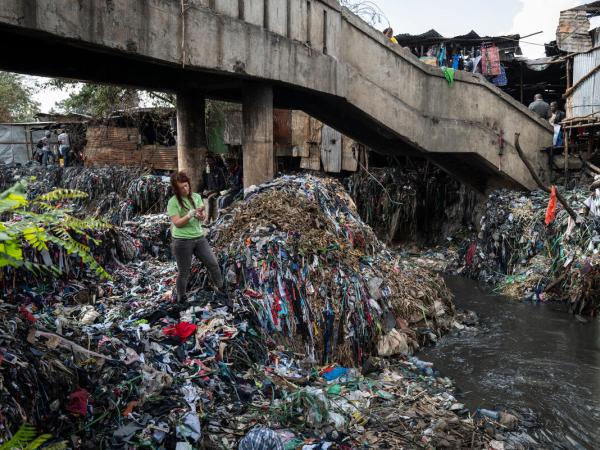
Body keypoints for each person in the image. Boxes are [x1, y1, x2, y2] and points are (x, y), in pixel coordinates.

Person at [167, 171, 224, 302]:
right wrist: (189, 215)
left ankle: (221, 289)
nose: (185, 189)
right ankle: (181, 297)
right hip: (182, 241)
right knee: (184, 273)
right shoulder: (173, 202)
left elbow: (203, 217)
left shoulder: (197, 197)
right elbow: (177, 223)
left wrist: (200, 216)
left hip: (199, 238)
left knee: (213, 264)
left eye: (186, 185)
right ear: (176, 189)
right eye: (181, 188)